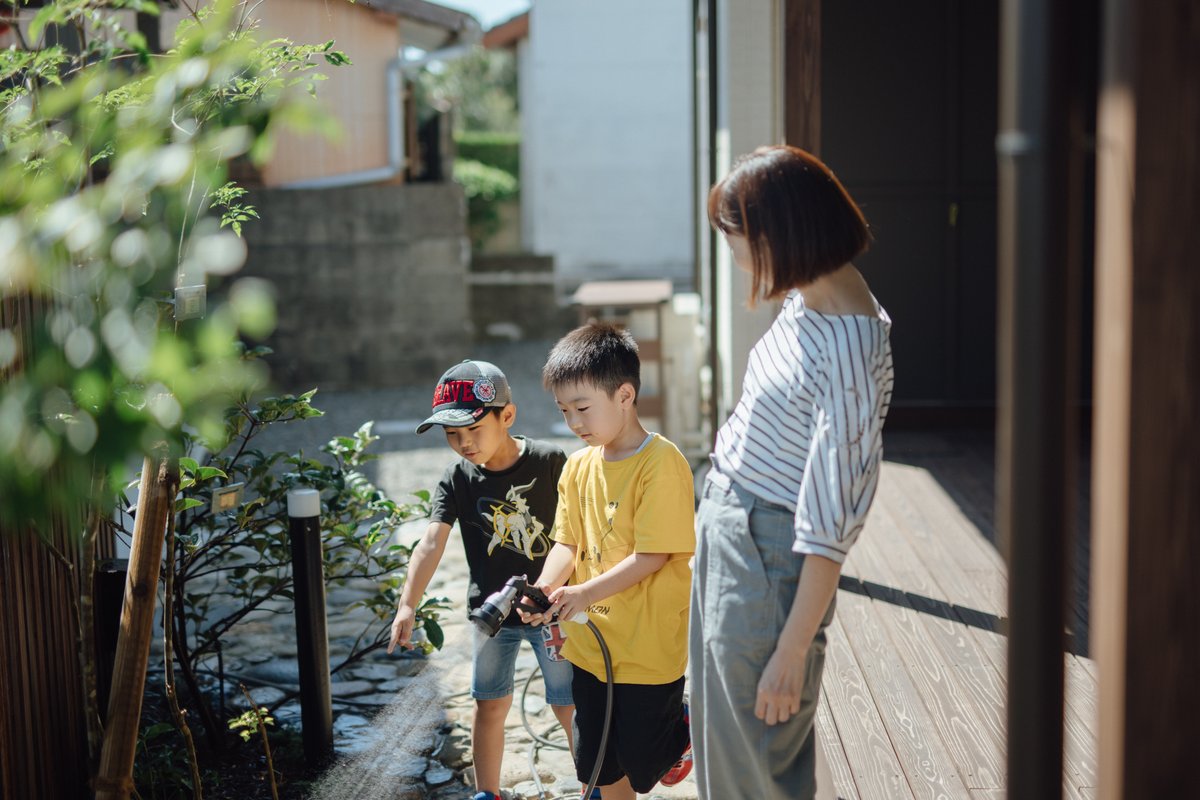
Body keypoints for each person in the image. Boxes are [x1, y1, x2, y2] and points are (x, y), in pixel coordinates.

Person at [691, 145, 894, 799]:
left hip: (767, 558)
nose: (738, 262)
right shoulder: (809, 300)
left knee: (753, 764)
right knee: (724, 744)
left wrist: (791, 652)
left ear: (783, 236)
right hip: (736, 528)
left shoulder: (850, 349)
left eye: (739, 244)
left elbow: (832, 524)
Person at [519, 323, 695, 800]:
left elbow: (653, 554)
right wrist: (548, 589)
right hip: (592, 650)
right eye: (563, 411)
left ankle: (680, 729)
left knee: (642, 763)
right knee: (596, 766)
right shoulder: (578, 466)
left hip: (648, 649)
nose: (574, 423)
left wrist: (583, 593)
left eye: (582, 408)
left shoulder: (660, 463)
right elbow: (567, 543)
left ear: (624, 395)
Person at [387, 359, 575, 800]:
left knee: (568, 703)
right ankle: (487, 792)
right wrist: (407, 604)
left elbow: (578, 533)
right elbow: (430, 545)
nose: (464, 443)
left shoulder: (550, 461)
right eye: (453, 435)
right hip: (491, 613)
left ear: (506, 416)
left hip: (552, 608)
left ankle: (594, 786)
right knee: (488, 703)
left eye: (473, 430)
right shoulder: (456, 479)